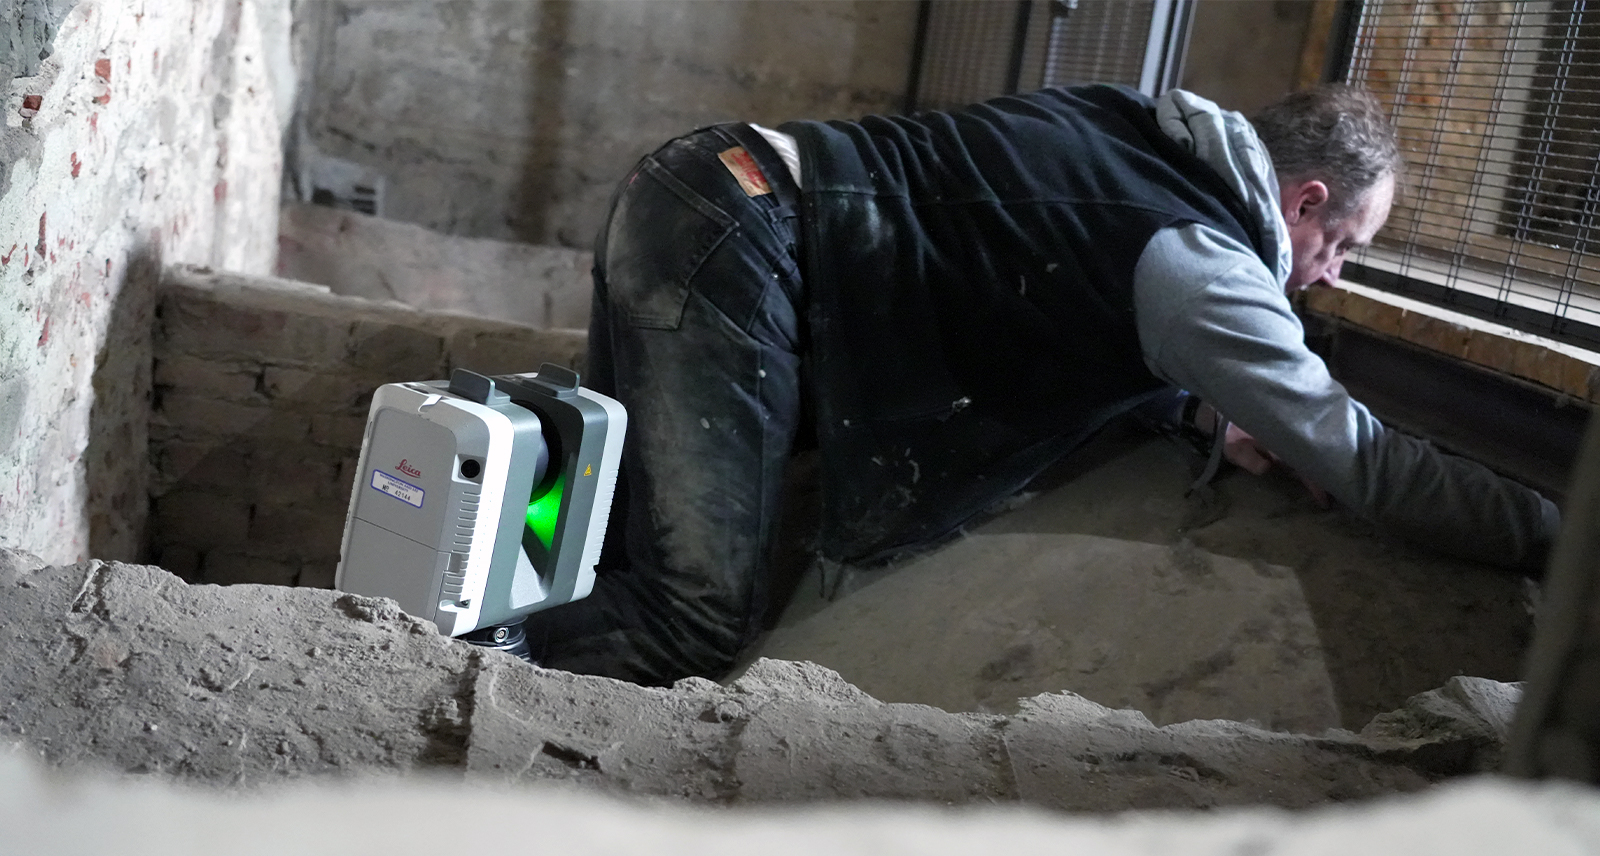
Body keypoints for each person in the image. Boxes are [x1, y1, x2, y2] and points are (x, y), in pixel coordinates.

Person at [521, 83, 1562, 686]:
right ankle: (421, 666)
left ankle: (455, 622)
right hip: (742, 241)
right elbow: (1371, 463)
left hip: (704, 185)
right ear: (1304, 200)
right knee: (689, 622)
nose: (1333, 278)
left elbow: (1043, 275)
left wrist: (1214, 408)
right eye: (1344, 248)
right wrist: (1559, 532)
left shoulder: (1146, 134)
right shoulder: (1202, 263)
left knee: (602, 539)